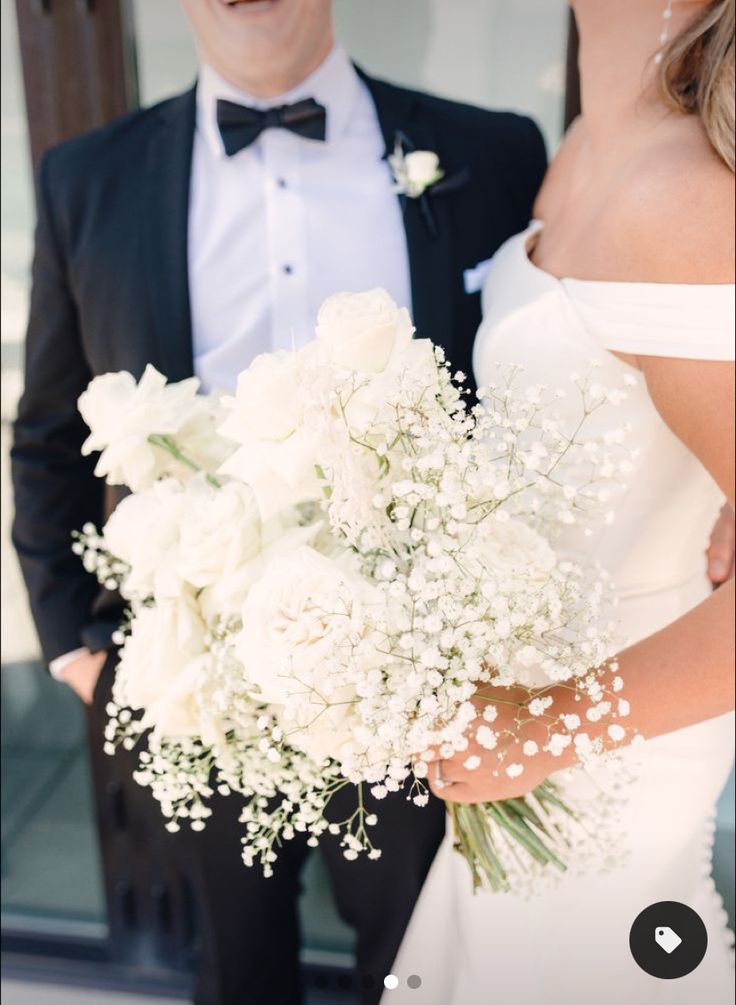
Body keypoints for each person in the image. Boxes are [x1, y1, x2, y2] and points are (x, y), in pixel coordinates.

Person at [10, 1, 549, 1002]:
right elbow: (48, 433)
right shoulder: (88, 175)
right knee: (236, 969)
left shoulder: (491, 152)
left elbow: (545, 374)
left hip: (416, 678)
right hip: (201, 687)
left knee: (423, 968)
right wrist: (78, 646)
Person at [387, 1, 735, 1003]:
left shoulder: (681, 193)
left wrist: (539, 730)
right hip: (516, 728)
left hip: (607, 748)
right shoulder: (586, 139)